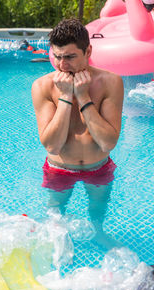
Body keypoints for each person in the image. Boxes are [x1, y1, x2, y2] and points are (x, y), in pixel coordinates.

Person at [32, 18, 124, 248]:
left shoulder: (111, 82)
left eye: (70, 57)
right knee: (56, 208)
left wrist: (82, 96)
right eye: (57, 57)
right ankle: (56, 240)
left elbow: (107, 143)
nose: (62, 66)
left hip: (99, 165)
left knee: (98, 204)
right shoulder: (42, 86)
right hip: (59, 167)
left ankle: (98, 232)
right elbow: (52, 145)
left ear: (88, 51)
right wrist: (65, 96)